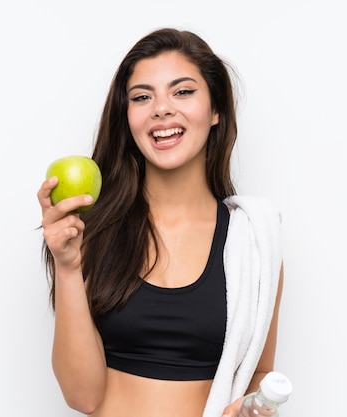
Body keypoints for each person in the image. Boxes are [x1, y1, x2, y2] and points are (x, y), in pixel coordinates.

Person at [37, 27, 284, 417]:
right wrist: (68, 268)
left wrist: (250, 409)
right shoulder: (89, 230)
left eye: (183, 91)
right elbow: (82, 397)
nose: (162, 108)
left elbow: (260, 373)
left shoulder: (252, 241)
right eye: (141, 97)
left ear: (216, 109)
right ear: (128, 117)